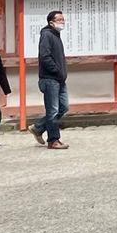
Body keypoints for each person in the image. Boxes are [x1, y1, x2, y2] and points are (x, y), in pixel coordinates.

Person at [32, 9, 70, 149]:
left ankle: (38, 127)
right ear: (51, 22)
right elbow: (45, 57)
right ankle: (53, 140)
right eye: (59, 20)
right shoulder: (47, 35)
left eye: (63, 19)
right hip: (50, 79)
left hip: (59, 79)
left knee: (63, 107)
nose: (62, 22)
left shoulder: (56, 35)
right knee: (53, 110)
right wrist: (57, 71)